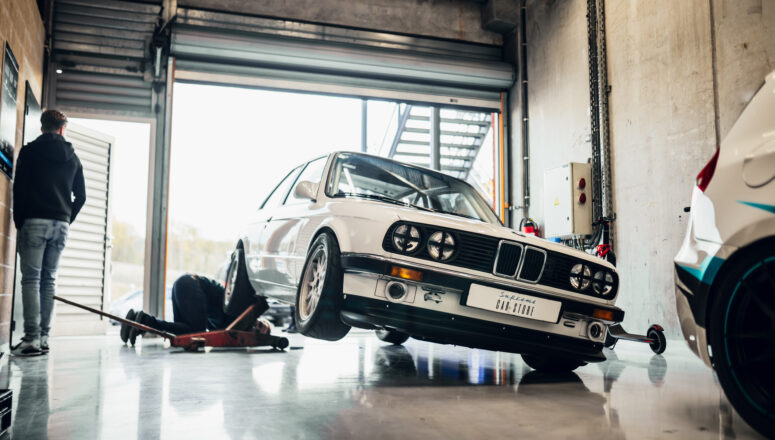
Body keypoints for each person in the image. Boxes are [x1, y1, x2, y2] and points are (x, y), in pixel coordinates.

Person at [11, 109, 86, 357]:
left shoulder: (30, 152)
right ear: (63, 129)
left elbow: (19, 189)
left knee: (31, 280)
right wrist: (66, 217)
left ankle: (31, 339)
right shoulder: (73, 158)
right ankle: (43, 337)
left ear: (43, 127)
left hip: (34, 221)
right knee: (48, 280)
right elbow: (81, 196)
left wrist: (19, 221)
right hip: (60, 225)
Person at [122, 274, 235, 345]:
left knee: (184, 333)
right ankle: (147, 322)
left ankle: (140, 321)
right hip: (191, 285)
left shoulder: (225, 319)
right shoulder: (235, 313)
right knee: (197, 336)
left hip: (184, 283)